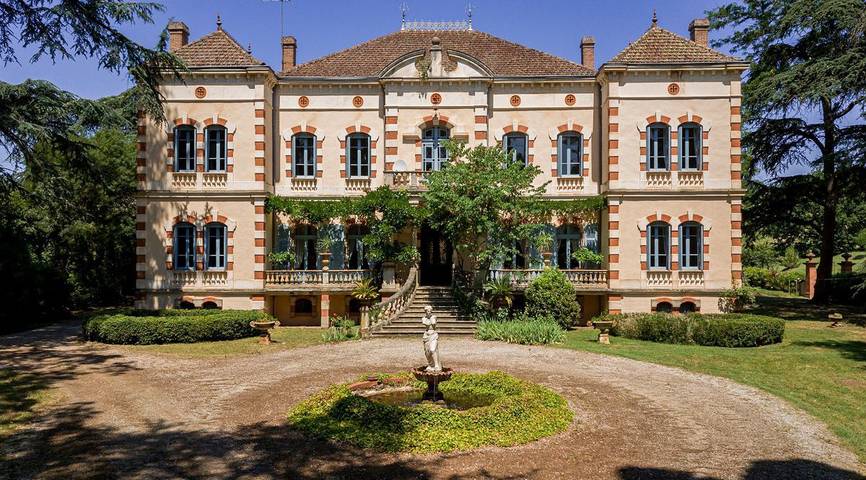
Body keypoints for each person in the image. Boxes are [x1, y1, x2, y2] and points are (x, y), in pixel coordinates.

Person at [421, 305, 442, 372]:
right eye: (427, 311)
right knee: (427, 352)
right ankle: (430, 365)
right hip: (426, 335)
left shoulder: (434, 317)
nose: (429, 312)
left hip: (433, 334)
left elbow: (433, 323)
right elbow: (425, 323)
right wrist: (428, 320)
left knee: (432, 349)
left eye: (430, 311)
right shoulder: (423, 318)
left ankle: (436, 365)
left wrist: (429, 319)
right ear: (425, 311)